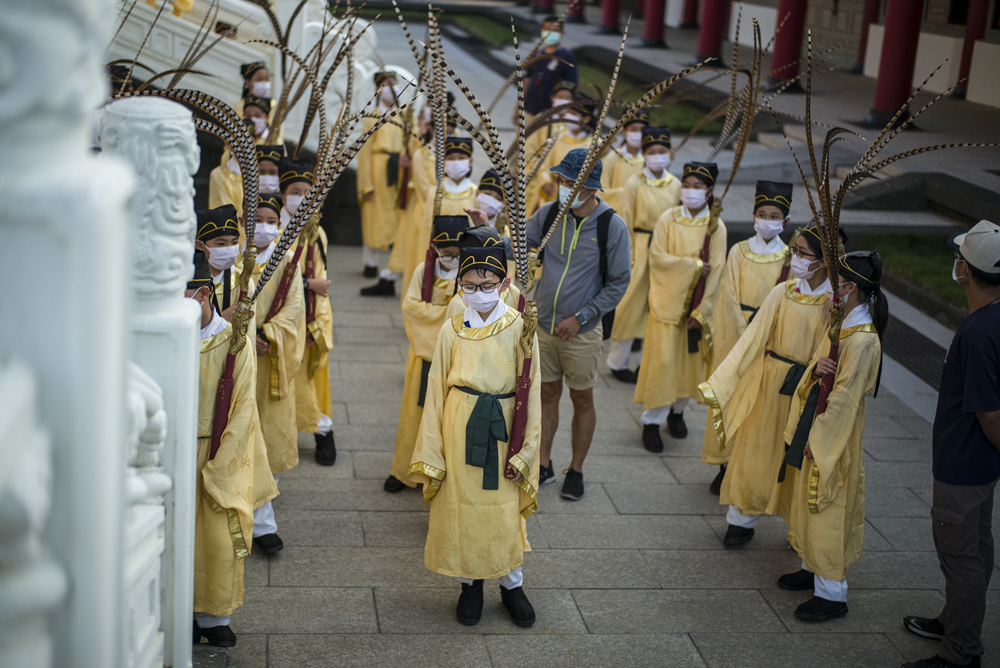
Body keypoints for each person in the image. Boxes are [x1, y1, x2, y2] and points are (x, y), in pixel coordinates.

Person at [408, 244, 541, 628]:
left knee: (501, 505)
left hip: (503, 424)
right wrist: (433, 449)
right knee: (461, 505)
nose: (477, 292)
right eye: (468, 285)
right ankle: (470, 584)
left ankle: (512, 583)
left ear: (504, 284)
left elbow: (531, 393)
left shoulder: (520, 326)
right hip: (459, 422)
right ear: (460, 287)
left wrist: (525, 451)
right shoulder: (452, 328)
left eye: (486, 284)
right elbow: (436, 388)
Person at [902, 220, 1000, 668]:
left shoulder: (980, 332)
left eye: (959, 257)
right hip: (978, 464)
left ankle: (960, 652)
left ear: (967, 270)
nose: (954, 263)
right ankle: (954, 620)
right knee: (976, 549)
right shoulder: (990, 319)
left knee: (960, 554)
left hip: (964, 463)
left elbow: (989, 413)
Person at [702, 226, 831, 548]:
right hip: (770, 382)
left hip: (808, 387)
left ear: (825, 260)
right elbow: (752, 338)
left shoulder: (835, 304)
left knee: (798, 457)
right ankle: (741, 519)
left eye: (803, 253)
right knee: (755, 448)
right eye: (795, 251)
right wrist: (724, 379)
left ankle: (797, 528)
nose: (796, 258)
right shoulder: (782, 292)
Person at [775, 250, 887, 623]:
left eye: (834, 283)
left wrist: (819, 439)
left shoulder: (863, 340)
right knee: (808, 499)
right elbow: (822, 370)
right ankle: (811, 564)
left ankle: (831, 591)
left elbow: (845, 399)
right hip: (819, 423)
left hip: (833, 435)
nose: (828, 290)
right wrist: (816, 368)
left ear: (850, 287)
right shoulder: (842, 326)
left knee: (827, 502)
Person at [527, 148, 631, 500]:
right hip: (543, 326)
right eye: (562, 180)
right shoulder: (549, 214)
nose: (564, 187)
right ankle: (543, 463)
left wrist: (581, 318)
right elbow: (521, 247)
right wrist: (487, 231)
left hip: (582, 333)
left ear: (590, 187)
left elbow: (618, 282)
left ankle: (577, 468)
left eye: (571, 182)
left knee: (582, 399)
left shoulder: (611, 226)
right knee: (546, 394)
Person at [188, 250, 277, 647]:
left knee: (217, 540)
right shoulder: (161, 339)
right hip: (172, 451)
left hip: (217, 451)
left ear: (204, 294)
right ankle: (179, 611)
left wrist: (220, 463)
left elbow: (243, 409)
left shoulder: (232, 342)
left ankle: (214, 617)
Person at [701, 181, 793, 494]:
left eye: (774, 215)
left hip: (769, 339)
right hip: (736, 336)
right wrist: (746, 335)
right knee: (730, 398)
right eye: (762, 213)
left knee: (756, 405)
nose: (767, 219)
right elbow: (727, 297)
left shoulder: (791, 260)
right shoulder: (739, 251)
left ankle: (747, 464)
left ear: (785, 221)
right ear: (754, 216)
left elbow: (787, 303)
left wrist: (764, 336)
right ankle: (725, 464)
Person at [634, 162, 726, 452]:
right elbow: (658, 259)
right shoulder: (668, 218)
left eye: (697, 187)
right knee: (662, 363)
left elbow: (719, 270)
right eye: (686, 185)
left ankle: (677, 412)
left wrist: (703, 311)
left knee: (688, 366)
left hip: (695, 309)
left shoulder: (716, 226)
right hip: (667, 305)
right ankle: (651, 421)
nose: (690, 191)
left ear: (709, 191)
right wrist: (694, 266)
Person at [384, 215, 470, 493]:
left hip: (457, 357)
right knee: (415, 413)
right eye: (446, 254)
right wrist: (450, 313)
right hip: (424, 355)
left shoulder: (471, 272)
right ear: (435, 248)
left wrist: (443, 313)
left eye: (457, 254)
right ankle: (405, 470)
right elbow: (411, 308)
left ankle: (439, 474)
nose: (452, 259)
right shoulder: (425, 270)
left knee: (447, 417)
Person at [248, 192, 306, 555]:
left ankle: (263, 513)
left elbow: (294, 308)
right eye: (256, 219)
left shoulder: (287, 263)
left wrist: (269, 334)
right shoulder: (236, 264)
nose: (264, 226)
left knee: (267, 436)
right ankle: (256, 517)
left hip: (271, 359)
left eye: (271, 219)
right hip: (238, 359)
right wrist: (245, 334)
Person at [606, 125, 681, 383]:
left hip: (664, 250)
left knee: (655, 306)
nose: (657, 156)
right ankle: (618, 361)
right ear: (645, 154)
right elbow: (625, 217)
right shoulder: (635, 182)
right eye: (652, 151)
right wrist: (627, 254)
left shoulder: (676, 185)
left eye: (662, 151)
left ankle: (644, 363)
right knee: (631, 305)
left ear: (670, 153)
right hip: (638, 245)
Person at [278, 158, 337, 467]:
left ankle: (322, 429)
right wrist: (306, 282)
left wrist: (317, 310)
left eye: (307, 191)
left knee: (312, 378)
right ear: (282, 194)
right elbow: (270, 275)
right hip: (278, 316)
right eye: (295, 191)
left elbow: (323, 283)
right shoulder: (271, 230)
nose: (301, 197)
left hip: (310, 317)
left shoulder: (316, 231)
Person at [372, 136, 477, 298]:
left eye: (461, 158)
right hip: (441, 262)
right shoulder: (434, 193)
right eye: (451, 158)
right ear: (443, 162)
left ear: (470, 161)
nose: (456, 162)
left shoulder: (476, 193)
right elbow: (428, 230)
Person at [356, 71, 407, 279]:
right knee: (374, 216)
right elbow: (365, 152)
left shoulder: (404, 116)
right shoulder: (372, 117)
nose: (390, 87)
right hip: (379, 168)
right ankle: (371, 262)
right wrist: (365, 184)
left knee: (398, 217)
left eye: (393, 83)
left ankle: (396, 264)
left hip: (401, 170)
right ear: (378, 89)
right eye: (385, 84)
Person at [523, 81, 573, 215]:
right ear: (552, 98)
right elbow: (530, 152)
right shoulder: (542, 119)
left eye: (568, 98)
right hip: (539, 177)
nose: (564, 101)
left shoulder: (574, 125)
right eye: (560, 97)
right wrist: (543, 178)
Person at [522, 16, 578, 121]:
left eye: (554, 30)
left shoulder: (567, 57)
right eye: (547, 29)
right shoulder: (536, 54)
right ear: (542, 30)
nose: (550, 33)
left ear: (561, 32)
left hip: (551, 113)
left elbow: (571, 86)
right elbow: (527, 80)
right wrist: (519, 107)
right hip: (529, 109)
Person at [194, 203, 245, 319]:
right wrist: (222, 318)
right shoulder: (190, 284)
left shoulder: (241, 280)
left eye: (234, 243)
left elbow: (248, 331)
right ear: (200, 245)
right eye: (221, 244)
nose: (229, 248)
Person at [600, 109, 650, 213]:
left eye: (642, 130)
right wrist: (625, 194)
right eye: (634, 129)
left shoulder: (649, 161)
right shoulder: (613, 158)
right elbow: (600, 192)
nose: (638, 133)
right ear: (624, 131)